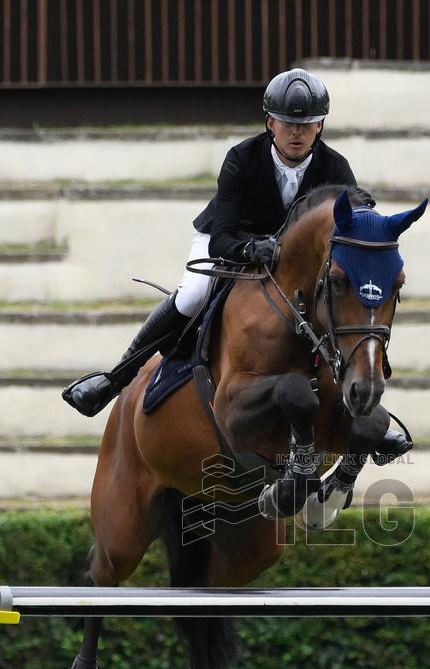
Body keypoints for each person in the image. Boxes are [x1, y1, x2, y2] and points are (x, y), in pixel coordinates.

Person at [62, 67, 358, 418]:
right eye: (287, 123)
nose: (297, 132)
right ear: (270, 123)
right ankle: (116, 378)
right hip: (231, 239)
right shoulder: (241, 158)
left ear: (320, 126)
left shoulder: (336, 169)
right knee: (193, 294)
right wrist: (250, 249)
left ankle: (367, 408)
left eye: (306, 124)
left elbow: (350, 234)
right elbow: (221, 240)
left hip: (291, 256)